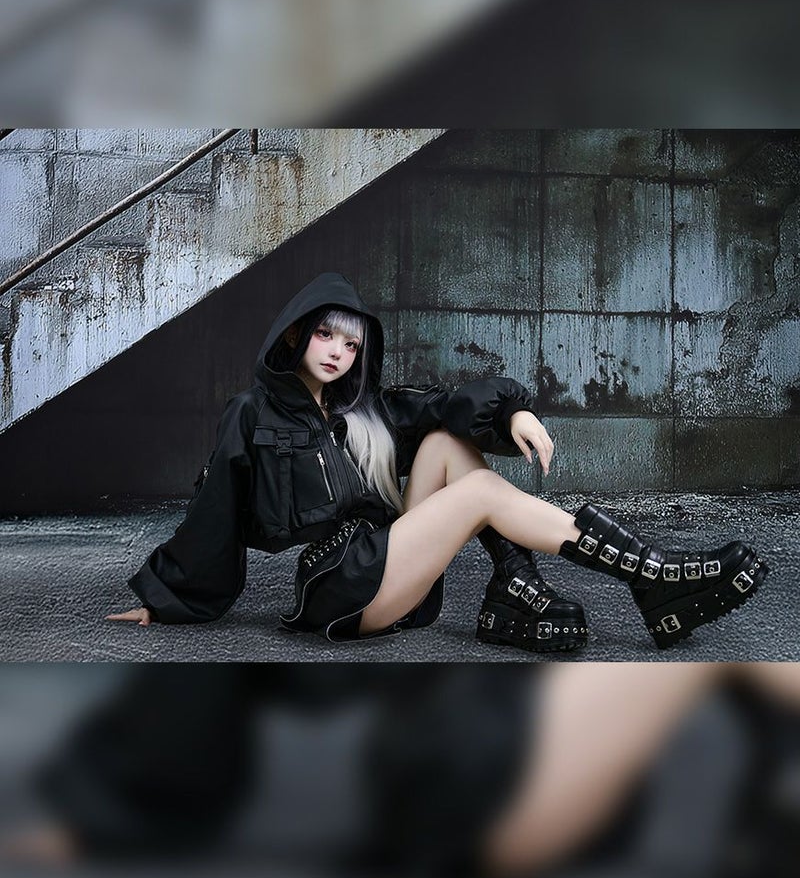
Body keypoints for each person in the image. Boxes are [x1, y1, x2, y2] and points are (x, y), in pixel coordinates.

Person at [107, 271, 766, 653]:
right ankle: (650, 573)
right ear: (297, 334)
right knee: (478, 495)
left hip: (389, 561)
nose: (336, 351)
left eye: (350, 343)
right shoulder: (253, 413)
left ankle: (518, 584)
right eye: (325, 335)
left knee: (448, 443)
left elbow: (449, 405)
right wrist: (167, 599)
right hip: (339, 586)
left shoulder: (368, 410)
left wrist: (515, 411)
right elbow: (215, 507)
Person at [5, 661, 800, 878]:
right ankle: (775, 821)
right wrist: (112, 814)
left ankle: (775, 819)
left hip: (483, 757)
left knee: (711, 631)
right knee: (706, 638)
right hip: (471, 777)